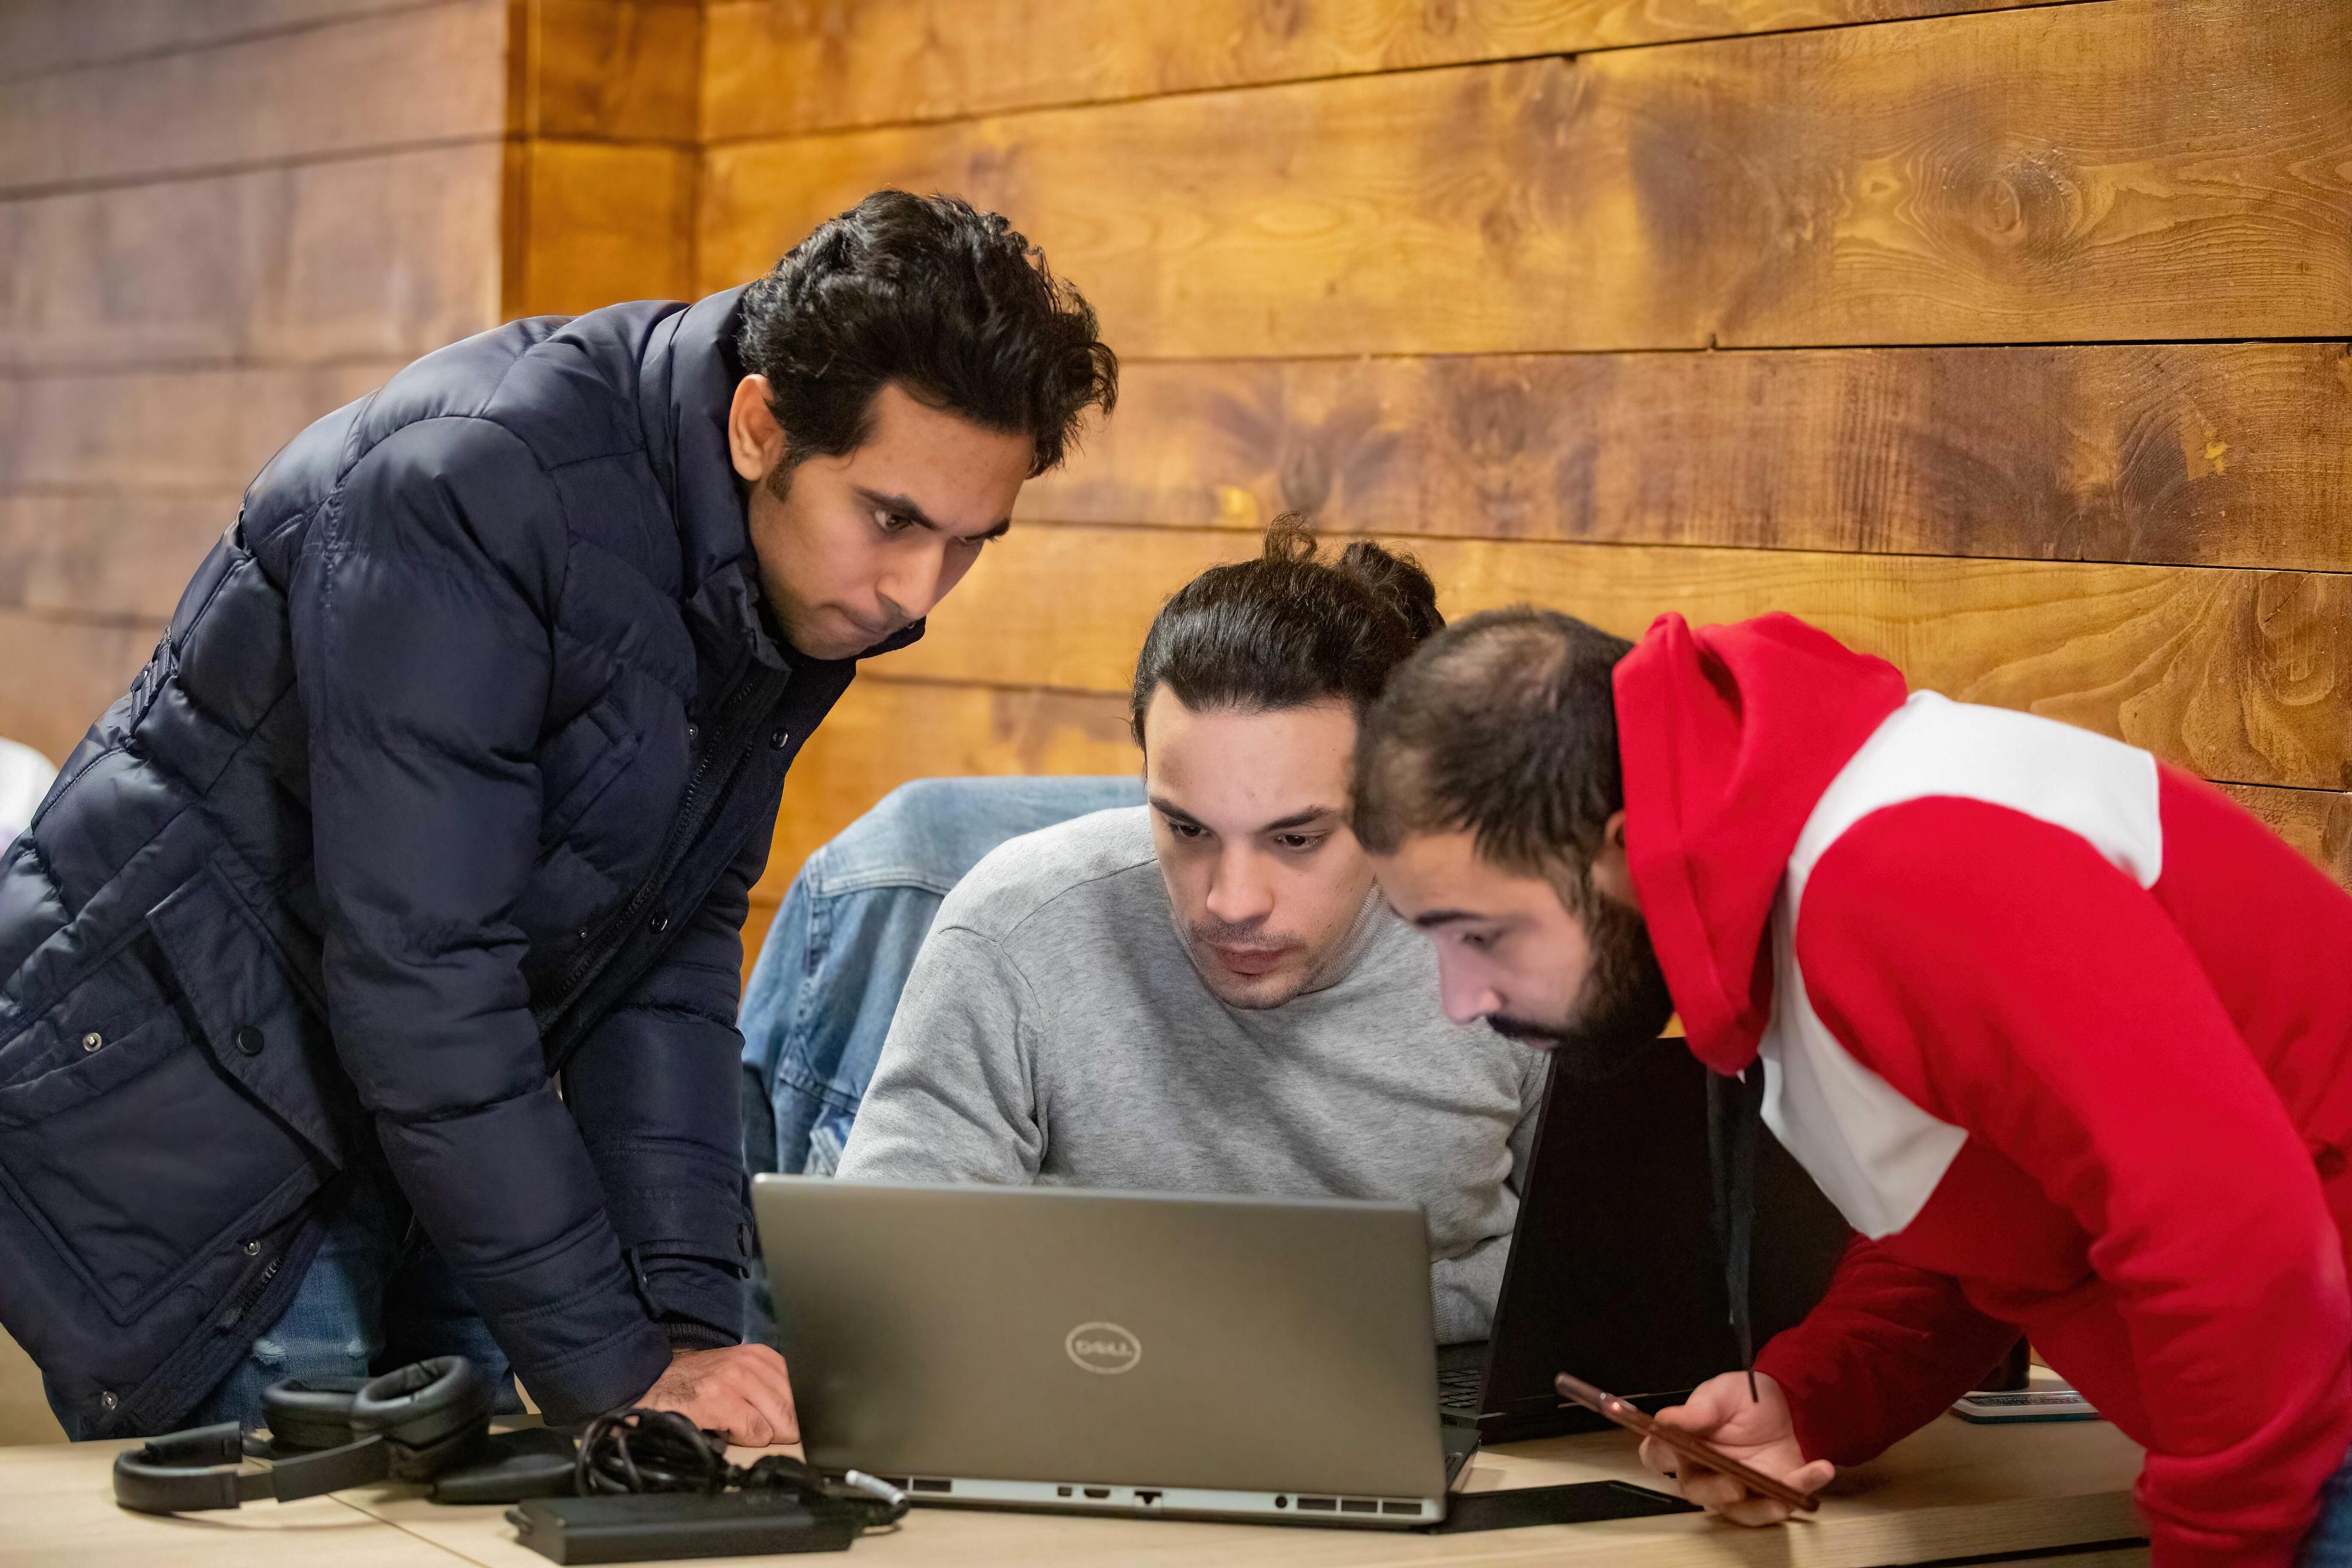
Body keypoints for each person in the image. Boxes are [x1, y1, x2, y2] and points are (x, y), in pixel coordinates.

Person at [0, 191, 1116, 1446]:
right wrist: (614, 1357)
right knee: (334, 1527)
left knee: (562, 1478)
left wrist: (684, 1316)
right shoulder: (471, 488)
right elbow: (424, 968)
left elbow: (669, 948)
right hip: (180, 1093)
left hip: (401, 1086)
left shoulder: (786, 573)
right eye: (895, 518)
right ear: (760, 426)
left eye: (970, 543)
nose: (919, 592)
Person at [1351, 605, 2352, 1567]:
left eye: (1480, 935)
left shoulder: (1895, 871)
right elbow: (2000, 1220)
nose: (1458, 996)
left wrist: (2218, 1547)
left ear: (1616, 853)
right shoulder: (1793, 873)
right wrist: (1810, 1397)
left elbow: (2233, 1239)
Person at [839, 525, 1548, 1342]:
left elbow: (1591, 1273)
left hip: (1442, 1404)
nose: (1232, 902)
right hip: (1086, 1398)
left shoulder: (1516, 953)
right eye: (1186, 828)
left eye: (1296, 839)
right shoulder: (1015, 928)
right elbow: (884, 1291)